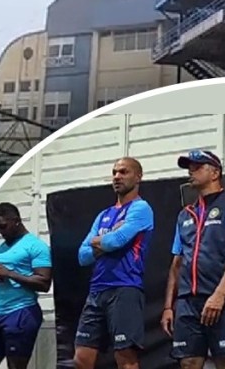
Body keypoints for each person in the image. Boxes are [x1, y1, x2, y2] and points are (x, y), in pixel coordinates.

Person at [161, 149, 225, 369]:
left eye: (197, 167)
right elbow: (177, 263)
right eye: (189, 168)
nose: (191, 172)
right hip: (188, 303)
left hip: (224, 300)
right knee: (188, 362)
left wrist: (219, 295)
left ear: (215, 173)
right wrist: (168, 306)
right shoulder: (185, 215)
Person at [73, 157, 155, 369]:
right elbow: (82, 256)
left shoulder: (141, 208)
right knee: (81, 358)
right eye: (114, 172)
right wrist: (108, 237)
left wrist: (104, 240)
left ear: (138, 177)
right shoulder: (104, 215)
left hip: (125, 288)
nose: (117, 176)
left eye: (124, 172)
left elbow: (115, 241)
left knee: (126, 357)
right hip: (97, 290)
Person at [0, 202, 53, 369]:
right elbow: (1, 284)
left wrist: (10, 274)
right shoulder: (1, 248)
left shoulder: (36, 246)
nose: (1, 232)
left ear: (16, 221)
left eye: (3, 226)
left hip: (20, 313)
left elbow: (44, 282)